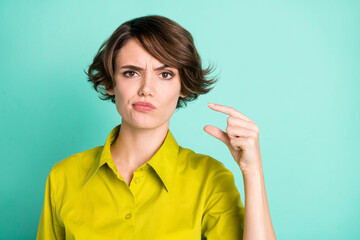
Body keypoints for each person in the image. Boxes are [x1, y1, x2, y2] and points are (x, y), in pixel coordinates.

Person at [36, 15, 276, 239]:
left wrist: (252, 171)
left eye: (165, 75)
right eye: (131, 73)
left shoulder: (210, 179)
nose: (146, 89)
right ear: (111, 82)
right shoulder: (63, 177)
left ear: (183, 86)